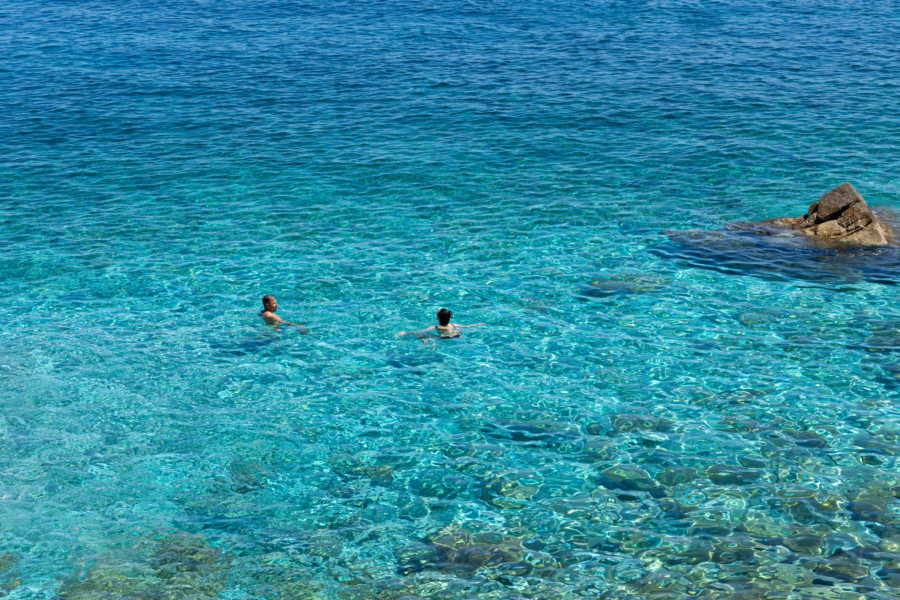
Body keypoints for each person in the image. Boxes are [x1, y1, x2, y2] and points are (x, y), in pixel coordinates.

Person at [398, 308, 485, 343]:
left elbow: (421, 331)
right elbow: (468, 326)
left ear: (438, 318)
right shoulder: (454, 325)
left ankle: (427, 340)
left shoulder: (435, 327)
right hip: (457, 336)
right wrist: (479, 324)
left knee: (418, 335)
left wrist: (405, 332)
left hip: (443, 338)